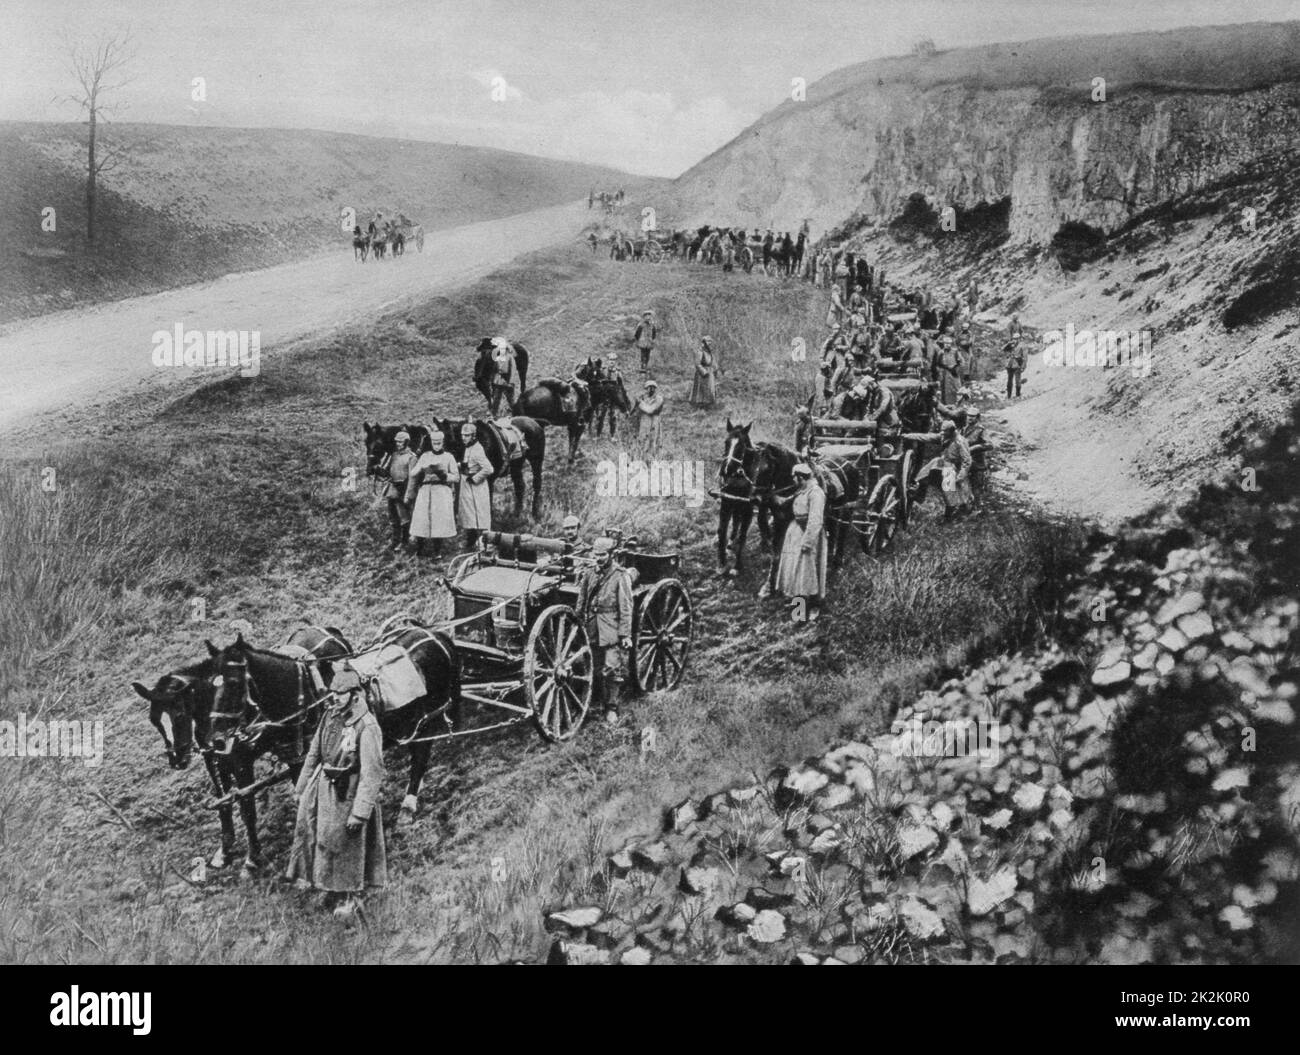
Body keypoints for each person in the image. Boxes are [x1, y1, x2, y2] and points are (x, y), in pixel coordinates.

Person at [286, 672, 386, 920]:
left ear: (354, 695)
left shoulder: (367, 725)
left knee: (346, 843)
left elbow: (372, 773)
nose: (336, 698)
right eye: (334, 693)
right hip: (325, 789)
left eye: (342, 694)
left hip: (349, 792)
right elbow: (314, 754)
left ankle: (349, 896)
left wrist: (360, 812)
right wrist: (300, 789)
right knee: (320, 836)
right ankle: (325, 886)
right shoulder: (329, 717)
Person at [576, 537, 632, 724]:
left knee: (612, 668)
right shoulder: (589, 573)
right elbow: (581, 600)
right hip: (592, 626)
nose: (598, 558)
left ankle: (612, 707)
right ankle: (594, 699)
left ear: (611, 555)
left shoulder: (620, 575)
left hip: (611, 627)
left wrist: (625, 634)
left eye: (602, 555)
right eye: (596, 555)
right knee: (594, 665)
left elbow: (626, 607)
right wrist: (578, 623)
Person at [775, 463, 827, 621]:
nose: (793, 480)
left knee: (807, 573)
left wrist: (808, 542)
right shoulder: (802, 490)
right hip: (796, 532)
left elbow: (815, 520)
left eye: (795, 477)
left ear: (801, 478)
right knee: (796, 571)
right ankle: (797, 605)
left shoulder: (816, 493)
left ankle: (812, 606)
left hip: (808, 536)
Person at [905, 419, 972, 521]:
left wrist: (960, 476)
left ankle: (950, 515)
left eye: (945, 431)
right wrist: (907, 436)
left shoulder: (960, 441)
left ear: (952, 431)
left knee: (949, 492)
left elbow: (967, 461)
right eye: (942, 430)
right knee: (934, 464)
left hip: (954, 467)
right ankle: (917, 487)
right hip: (944, 463)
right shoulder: (944, 436)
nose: (942, 433)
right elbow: (926, 437)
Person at [406, 429, 459, 558]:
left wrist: (444, 474)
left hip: (441, 490)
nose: (436, 445)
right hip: (425, 489)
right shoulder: (425, 456)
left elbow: (456, 477)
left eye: (439, 442)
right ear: (431, 443)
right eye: (434, 442)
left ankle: (437, 551)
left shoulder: (448, 457)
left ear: (443, 442)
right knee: (421, 519)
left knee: (438, 520)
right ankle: (420, 549)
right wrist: (422, 467)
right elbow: (413, 473)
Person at [457, 423, 493, 549]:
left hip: (477, 487)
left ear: (473, 436)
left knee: (479, 513)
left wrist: (475, 478)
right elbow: (470, 463)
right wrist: (461, 465)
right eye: (462, 435)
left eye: (467, 436)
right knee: (468, 514)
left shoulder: (478, 449)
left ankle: (484, 541)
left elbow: (489, 469)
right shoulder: (468, 447)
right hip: (467, 484)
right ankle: (471, 539)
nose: (464, 438)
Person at [384, 431, 417, 551]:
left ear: (407, 442)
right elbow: (387, 471)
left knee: (404, 518)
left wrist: (408, 494)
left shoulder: (411, 457)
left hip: (403, 491)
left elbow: (413, 478)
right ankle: (395, 540)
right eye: (396, 441)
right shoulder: (394, 455)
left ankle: (404, 542)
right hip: (392, 490)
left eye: (400, 442)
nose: (398, 444)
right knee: (393, 517)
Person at [635, 379, 664, 454]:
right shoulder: (643, 397)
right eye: (649, 387)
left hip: (654, 420)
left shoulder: (659, 398)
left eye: (653, 387)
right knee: (642, 438)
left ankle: (652, 457)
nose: (651, 389)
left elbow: (651, 410)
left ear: (655, 388)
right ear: (646, 389)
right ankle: (642, 455)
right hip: (644, 420)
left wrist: (640, 403)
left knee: (653, 439)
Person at [489, 339, 516, 416]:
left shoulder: (510, 358)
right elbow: (494, 371)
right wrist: (492, 381)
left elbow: (513, 370)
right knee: (496, 399)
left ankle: (516, 413)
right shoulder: (497, 358)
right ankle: (493, 414)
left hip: (507, 381)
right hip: (498, 381)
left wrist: (511, 381)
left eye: (503, 348)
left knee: (510, 399)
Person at [690, 337, 718, 408]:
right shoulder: (700, 352)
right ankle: (699, 406)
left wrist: (715, 369)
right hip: (701, 375)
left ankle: (708, 405)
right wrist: (704, 372)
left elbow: (712, 362)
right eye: (708, 342)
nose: (709, 344)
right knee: (701, 391)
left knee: (710, 390)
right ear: (704, 343)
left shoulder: (710, 353)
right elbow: (697, 364)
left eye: (710, 342)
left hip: (710, 373)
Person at [634, 310, 657, 375]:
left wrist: (653, 340)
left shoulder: (652, 325)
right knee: (643, 355)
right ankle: (642, 367)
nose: (648, 317)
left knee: (647, 355)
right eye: (646, 316)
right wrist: (637, 340)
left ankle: (646, 367)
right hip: (642, 342)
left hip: (649, 342)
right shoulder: (641, 325)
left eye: (649, 315)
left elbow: (654, 333)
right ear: (644, 317)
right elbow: (637, 333)